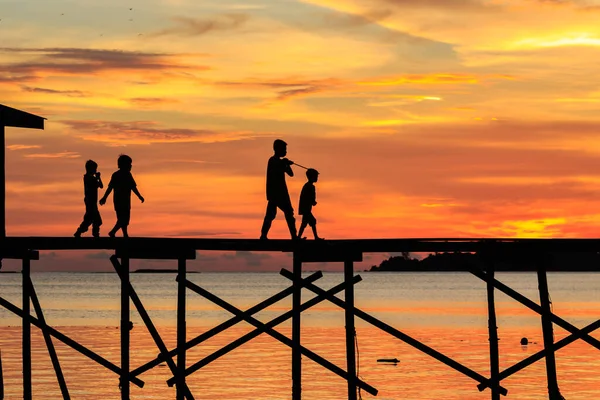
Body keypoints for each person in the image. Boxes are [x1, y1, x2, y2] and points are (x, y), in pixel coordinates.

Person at [260, 139, 298, 239]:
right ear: (277, 149)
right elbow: (274, 173)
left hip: (282, 192)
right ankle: (263, 235)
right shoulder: (272, 160)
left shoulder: (280, 162)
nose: (285, 151)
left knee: (288, 213)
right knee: (271, 215)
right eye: (284, 149)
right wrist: (283, 163)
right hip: (275, 193)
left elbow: (291, 174)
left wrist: (286, 164)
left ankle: (294, 236)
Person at [99, 154, 144, 237]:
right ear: (124, 165)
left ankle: (125, 234)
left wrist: (139, 196)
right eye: (129, 164)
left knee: (123, 219)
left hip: (121, 200)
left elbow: (132, 187)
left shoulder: (119, 175)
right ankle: (113, 232)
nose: (131, 166)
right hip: (121, 201)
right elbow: (132, 187)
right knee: (123, 219)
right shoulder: (123, 175)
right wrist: (104, 197)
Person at [74, 160, 103, 237]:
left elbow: (100, 186)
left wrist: (98, 178)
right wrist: (98, 178)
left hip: (91, 201)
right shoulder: (89, 178)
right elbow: (100, 185)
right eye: (94, 169)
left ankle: (82, 231)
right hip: (90, 201)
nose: (95, 171)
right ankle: (92, 232)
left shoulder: (89, 178)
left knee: (90, 218)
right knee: (94, 219)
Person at [297, 168, 323, 240]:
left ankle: (299, 237)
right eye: (316, 176)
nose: (317, 178)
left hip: (306, 208)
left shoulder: (307, 186)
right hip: (306, 209)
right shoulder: (310, 187)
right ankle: (316, 237)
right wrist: (313, 202)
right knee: (312, 221)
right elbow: (309, 197)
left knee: (304, 223)